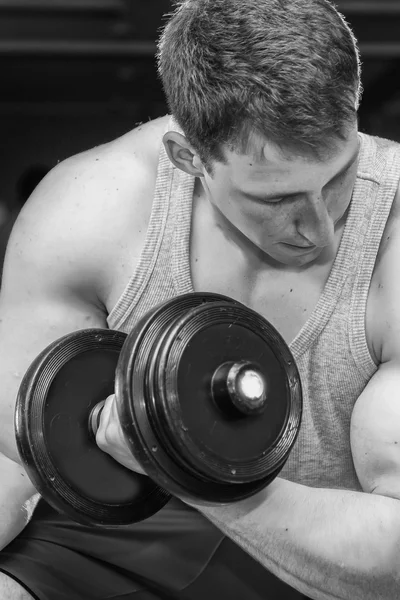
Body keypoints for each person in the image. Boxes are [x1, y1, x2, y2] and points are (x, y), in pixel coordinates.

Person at [0, 0, 399, 598]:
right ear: (189, 158)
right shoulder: (87, 212)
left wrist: (175, 459)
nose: (320, 228)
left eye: (340, 177)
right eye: (274, 198)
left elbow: (391, 556)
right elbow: (18, 457)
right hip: (125, 537)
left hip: (322, 546)